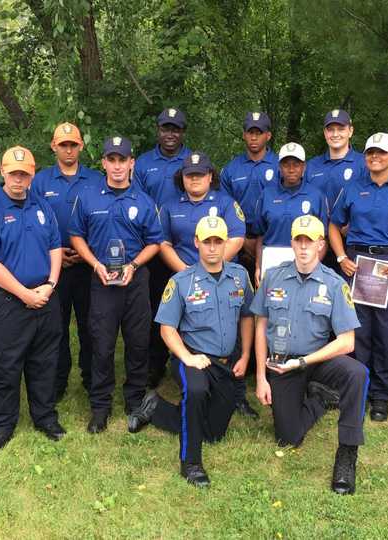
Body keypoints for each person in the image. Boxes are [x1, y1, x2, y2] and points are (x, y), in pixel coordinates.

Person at [252, 215, 368, 495]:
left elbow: (347, 342)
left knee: (357, 373)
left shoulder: (333, 283)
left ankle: (347, 453)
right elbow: (260, 325)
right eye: (298, 240)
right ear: (292, 243)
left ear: (321, 245)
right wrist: (260, 378)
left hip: (317, 360)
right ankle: (320, 399)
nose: (303, 247)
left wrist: (304, 361)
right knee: (288, 438)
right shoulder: (274, 276)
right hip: (282, 364)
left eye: (310, 241)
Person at [145, 216, 254, 487]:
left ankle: (154, 407)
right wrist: (187, 358)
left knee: (215, 432)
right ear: (197, 243)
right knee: (195, 392)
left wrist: (245, 356)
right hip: (193, 356)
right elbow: (166, 329)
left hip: (226, 361)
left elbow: (247, 317)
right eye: (207, 242)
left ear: (227, 243)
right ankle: (191, 463)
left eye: (219, 241)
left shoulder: (240, 276)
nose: (213, 248)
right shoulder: (181, 282)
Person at [0, 146, 65, 450]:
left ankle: (45, 417)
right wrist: (23, 293)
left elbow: (55, 247)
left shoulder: (41, 207)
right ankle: (2, 425)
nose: (18, 179)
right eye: (13, 173)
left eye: (24, 173)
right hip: (7, 303)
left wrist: (50, 284)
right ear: (2, 172)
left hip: (44, 297)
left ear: (32, 174)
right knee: (5, 365)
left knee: (45, 362)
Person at [69, 136, 164, 434]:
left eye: (123, 159)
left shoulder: (144, 201)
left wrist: (134, 265)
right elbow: (75, 235)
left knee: (138, 343)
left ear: (131, 163)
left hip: (135, 282)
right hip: (102, 282)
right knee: (102, 344)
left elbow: (155, 242)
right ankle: (100, 405)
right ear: (104, 163)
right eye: (112, 159)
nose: (118, 166)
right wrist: (94, 263)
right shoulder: (87, 197)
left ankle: (134, 399)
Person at [328, 132, 388, 422]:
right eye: (371, 152)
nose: (375, 157)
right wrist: (342, 257)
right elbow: (334, 225)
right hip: (358, 264)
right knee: (358, 330)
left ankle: (381, 394)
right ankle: (359, 389)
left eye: (382, 153)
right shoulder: (353, 188)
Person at [159, 152, 259, 418]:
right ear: (182, 177)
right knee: (194, 330)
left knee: (234, 333)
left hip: (224, 277)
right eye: (190, 174)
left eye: (200, 174)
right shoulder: (169, 206)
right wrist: (189, 274)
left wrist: (213, 267)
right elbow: (164, 244)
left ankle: (238, 397)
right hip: (185, 277)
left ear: (210, 176)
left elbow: (237, 238)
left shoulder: (226, 203)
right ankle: (193, 382)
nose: (195, 179)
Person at [31, 122, 101, 401]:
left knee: (90, 325)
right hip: (54, 266)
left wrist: (86, 253)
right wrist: (58, 251)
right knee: (55, 327)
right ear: (54, 146)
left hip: (88, 265)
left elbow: (101, 219)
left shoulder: (95, 179)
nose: (69, 149)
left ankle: (90, 377)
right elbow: (33, 221)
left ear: (81, 146)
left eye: (73, 144)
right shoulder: (39, 181)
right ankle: (57, 381)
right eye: (63, 145)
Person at [132, 107, 192, 389]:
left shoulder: (192, 161)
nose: (170, 134)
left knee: (190, 307)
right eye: (166, 128)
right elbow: (137, 204)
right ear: (158, 130)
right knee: (157, 308)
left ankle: (187, 362)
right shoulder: (143, 164)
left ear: (182, 132)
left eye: (176, 129)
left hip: (185, 248)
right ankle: (154, 364)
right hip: (154, 249)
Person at [253, 142, 328, 286]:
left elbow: (323, 238)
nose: (291, 169)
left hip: (305, 261)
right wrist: (258, 265)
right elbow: (260, 235)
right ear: (280, 167)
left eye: (296, 164)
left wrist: (314, 265)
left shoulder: (316, 195)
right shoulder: (267, 194)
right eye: (286, 164)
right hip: (271, 260)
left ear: (304, 167)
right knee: (270, 306)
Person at [220, 111, 279, 265]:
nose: (254, 137)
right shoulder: (231, 169)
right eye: (250, 132)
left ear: (268, 135)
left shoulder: (280, 166)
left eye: (259, 133)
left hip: (274, 242)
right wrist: (244, 241)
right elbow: (225, 208)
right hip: (238, 243)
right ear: (244, 135)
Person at [305, 109, 367, 209]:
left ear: (350, 131)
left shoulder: (364, 164)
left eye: (341, 129)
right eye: (330, 129)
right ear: (325, 133)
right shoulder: (311, 166)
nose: (335, 134)